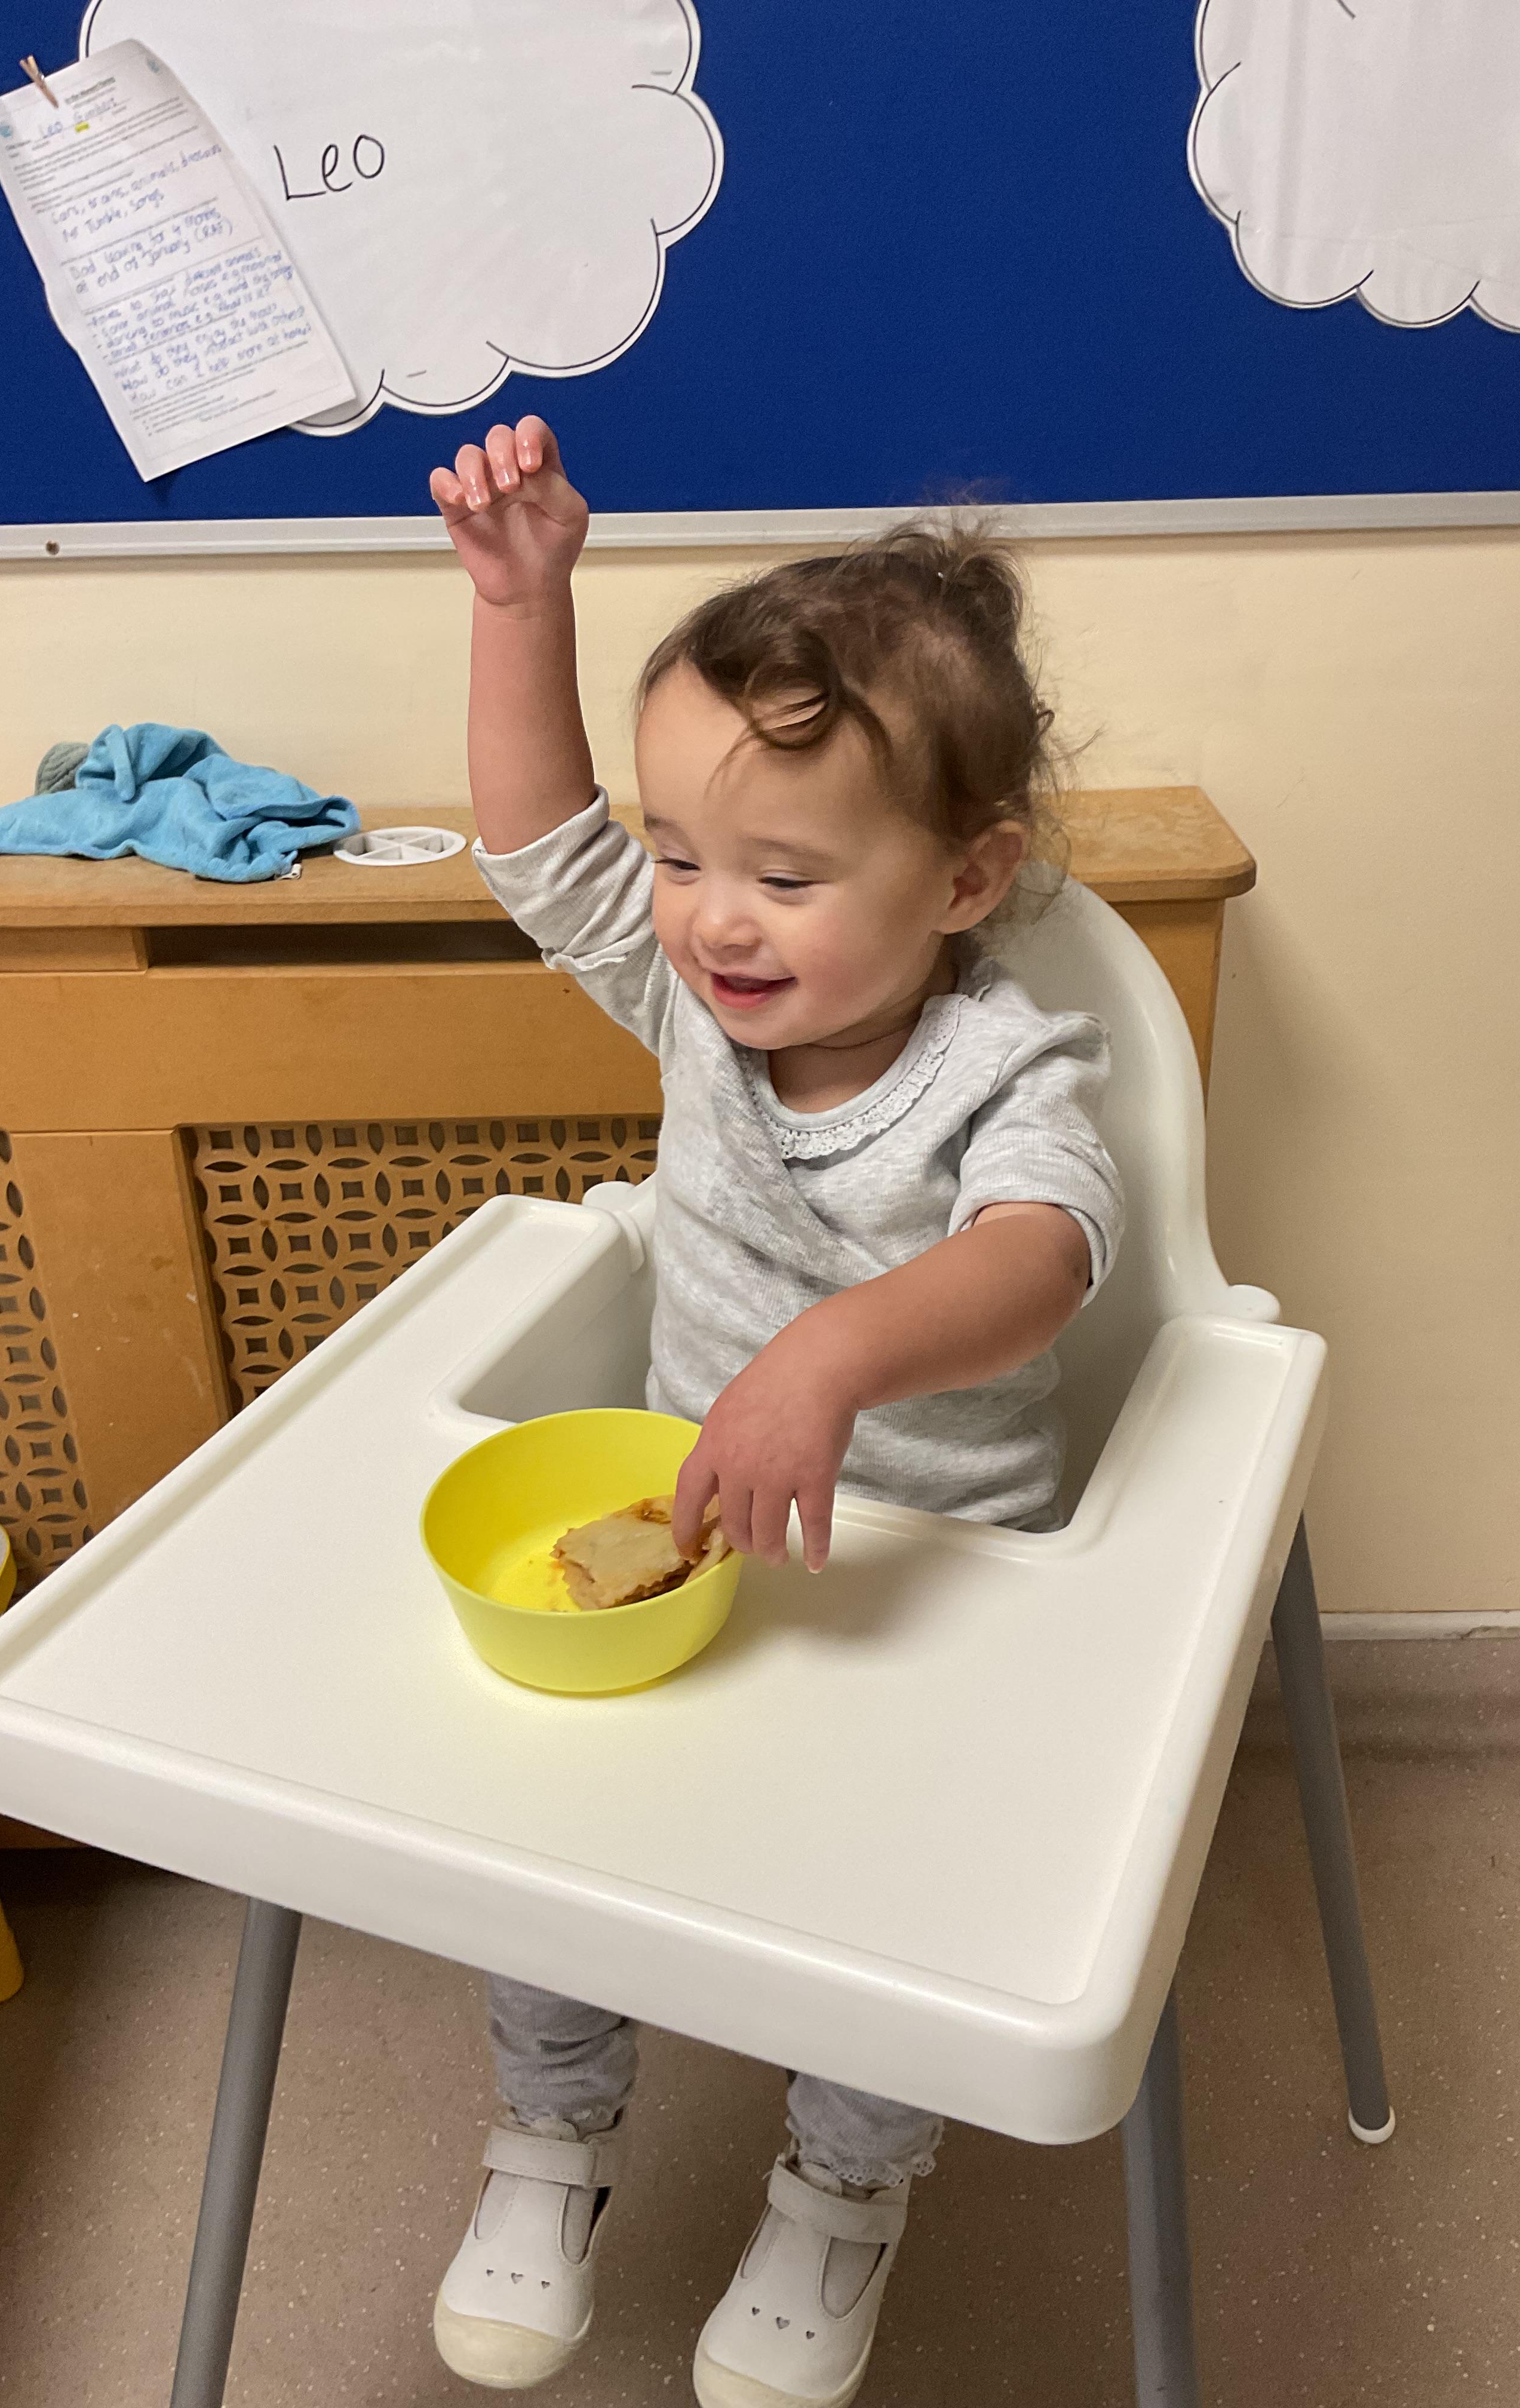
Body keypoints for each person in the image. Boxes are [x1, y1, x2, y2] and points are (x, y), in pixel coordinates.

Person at [425, 416, 1124, 2408]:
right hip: (699, 1555)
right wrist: (524, 606)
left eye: (787, 875)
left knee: (894, 1892)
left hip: (929, 1574)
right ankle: (553, 2133)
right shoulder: (690, 1001)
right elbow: (534, 843)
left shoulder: (1005, 1064)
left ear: (967, 877)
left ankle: (841, 2186)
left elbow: (1048, 1253)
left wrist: (828, 1358)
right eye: (681, 857)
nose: (715, 919)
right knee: (541, 1826)